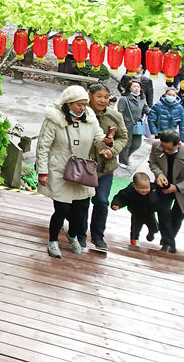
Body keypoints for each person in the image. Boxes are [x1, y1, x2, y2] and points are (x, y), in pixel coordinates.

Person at [36, 85, 106, 258]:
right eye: (79, 105)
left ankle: (72, 235)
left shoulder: (90, 118)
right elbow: (43, 146)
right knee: (62, 208)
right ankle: (53, 241)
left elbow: (99, 137)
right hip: (59, 168)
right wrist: (42, 172)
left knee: (80, 209)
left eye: (84, 104)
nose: (83, 108)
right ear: (68, 104)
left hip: (82, 170)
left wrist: (107, 142)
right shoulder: (54, 120)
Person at [82, 82, 128, 251]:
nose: (103, 100)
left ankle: (97, 236)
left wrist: (112, 150)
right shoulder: (82, 113)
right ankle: (80, 234)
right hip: (84, 166)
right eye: (99, 96)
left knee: (101, 201)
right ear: (90, 96)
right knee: (82, 202)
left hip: (105, 168)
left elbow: (123, 137)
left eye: (106, 97)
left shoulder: (115, 116)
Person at [110, 172, 159, 246]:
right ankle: (134, 244)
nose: (145, 190)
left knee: (155, 228)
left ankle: (151, 233)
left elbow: (161, 199)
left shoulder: (154, 189)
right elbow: (121, 197)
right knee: (134, 231)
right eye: (142, 188)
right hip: (136, 214)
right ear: (134, 185)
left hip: (149, 214)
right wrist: (117, 204)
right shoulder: (130, 191)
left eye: (147, 187)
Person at [117, 80, 150, 169]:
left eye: (138, 87)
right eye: (134, 86)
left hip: (138, 124)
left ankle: (127, 156)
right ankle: (123, 160)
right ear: (129, 88)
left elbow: (146, 109)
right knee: (126, 144)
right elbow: (120, 113)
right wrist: (122, 125)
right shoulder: (124, 99)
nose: (136, 89)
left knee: (136, 144)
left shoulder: (142, 98)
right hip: (127, 124)